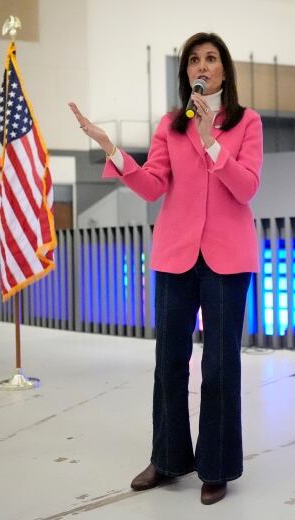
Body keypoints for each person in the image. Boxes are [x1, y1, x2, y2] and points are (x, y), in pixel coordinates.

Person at [69, 32, 263, 505]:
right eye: (194, 59)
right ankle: (168, 458)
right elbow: (154, 186)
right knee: (169, 361)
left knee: (220, 364)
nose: (203, 65)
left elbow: (247, 188)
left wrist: (211, 143)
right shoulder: (170, 125)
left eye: (211, 58)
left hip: (227, 258)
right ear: (186, 73)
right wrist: (113, 151)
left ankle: (216, 465)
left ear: (224, 71)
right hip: (175, 255)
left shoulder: (246, 122)